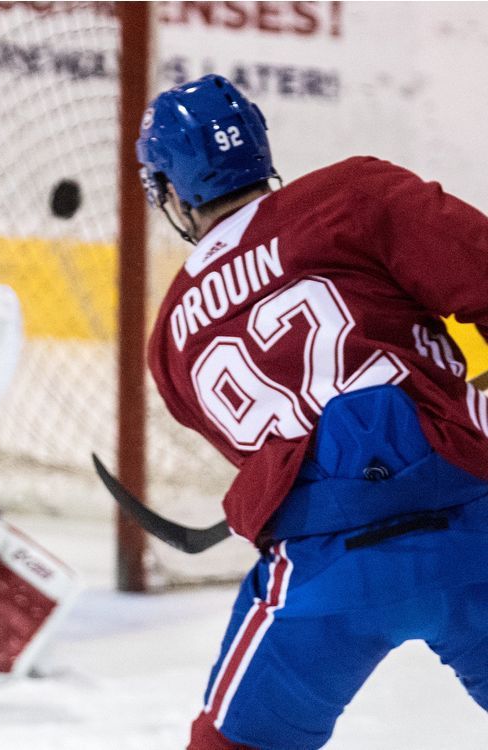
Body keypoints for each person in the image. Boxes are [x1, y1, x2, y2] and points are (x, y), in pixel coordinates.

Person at [137, 74, 488, 748]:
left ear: (173, 192)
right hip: (470, 526)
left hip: (323, 572)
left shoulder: (169, 339)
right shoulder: (354, 195)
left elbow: (278, 458)